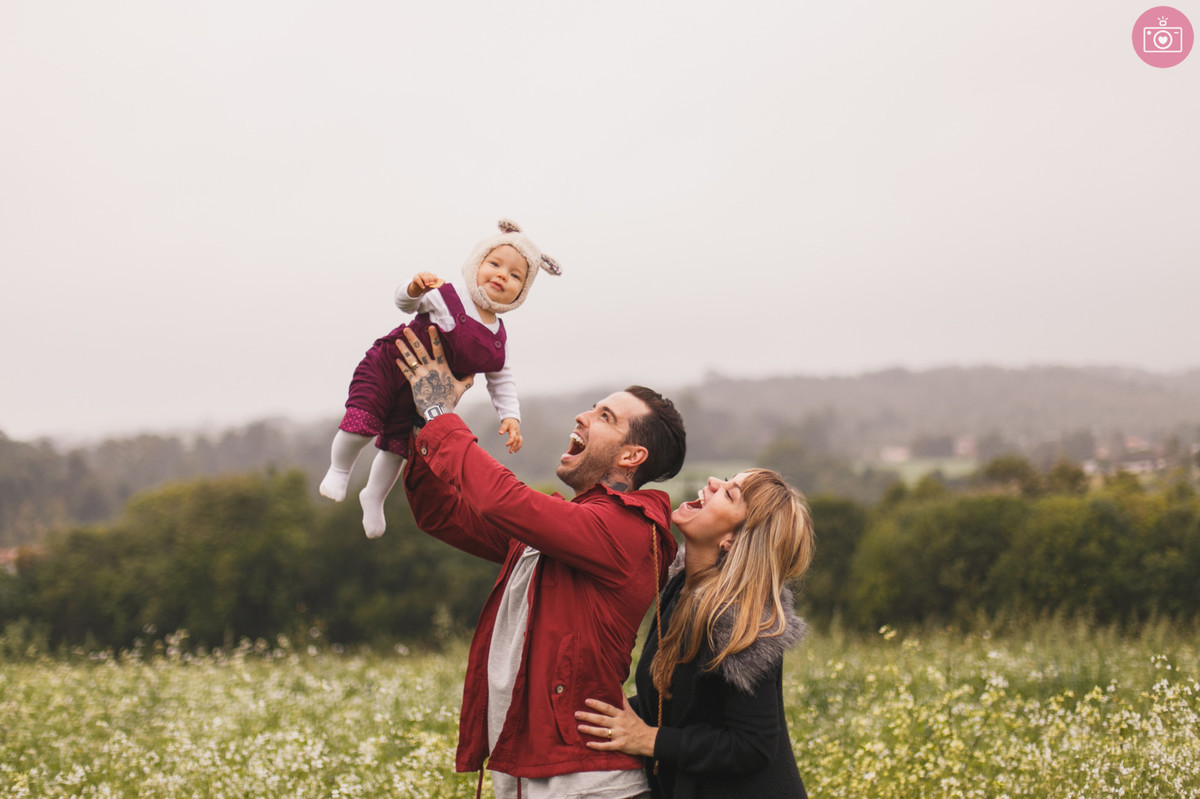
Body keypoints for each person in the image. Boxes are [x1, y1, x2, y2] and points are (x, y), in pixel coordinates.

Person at [393, 326, 686, 799]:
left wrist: (440, 412)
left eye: (605, 416)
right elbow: (442, 512)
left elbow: (500, 501)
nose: (583, 415)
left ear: (632, 456)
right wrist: (417, 417)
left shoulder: (629, 531)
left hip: (591, 785)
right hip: (527, 777)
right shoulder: (559, 531)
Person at [574, 468, 816, 799]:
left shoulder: (741, 622)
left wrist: (647, 739)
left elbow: (752, 745)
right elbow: (679, 705)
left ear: (731, 540)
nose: (714, 483)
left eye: (730, 494)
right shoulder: (679, 587)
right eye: (726, 480)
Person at [318, 219, 561, 538]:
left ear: (521, 292)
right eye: (495, 264)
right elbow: (405, 303)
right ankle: (340, 469)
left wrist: (511, 417)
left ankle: (374, 497)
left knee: (396, 448)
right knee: (363, 423)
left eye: (516, 275)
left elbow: (501, 379)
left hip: (425, 393)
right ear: (476, 264)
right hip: (391, 365)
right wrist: (413, 288)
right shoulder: (449, 295)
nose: (502, 274)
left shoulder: (498, 336)